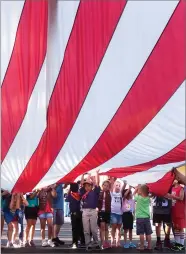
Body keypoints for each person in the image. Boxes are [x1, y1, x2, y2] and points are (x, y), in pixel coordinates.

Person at [80, 171, 100, 250]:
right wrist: (82, 175)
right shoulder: (83, 192)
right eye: (86, 186)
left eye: (89, 185)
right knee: (86, 229)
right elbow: (81, 184)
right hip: (85, 211)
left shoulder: (95, 192)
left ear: (91, 186)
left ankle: (96, 243)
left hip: (93, 211)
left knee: (94, 229)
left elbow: (97, 184)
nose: (87, 187)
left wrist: (97, 174)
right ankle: (88, 244)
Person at [166, 180, 185, 251]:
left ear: (177, 180)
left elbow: (181, 198)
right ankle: (178, 244)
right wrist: (169, 196)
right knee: (176, 227)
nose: (172, 181)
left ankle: (181, 245)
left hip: (180, 210)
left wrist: (171, 196)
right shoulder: (172, 188)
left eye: (173, 179)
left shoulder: (181, 188)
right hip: (174, 210)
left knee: (180, 228)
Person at [134, 184, 153, 251]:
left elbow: (133, 195)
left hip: (139, 218)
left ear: (140, 191)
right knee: (148, 233)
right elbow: (150, 195)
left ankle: (142, 246)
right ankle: (149, 246)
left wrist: (136, 189)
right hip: (147, 217)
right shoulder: (148, 198)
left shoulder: (138, 197)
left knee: (141, 233)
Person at [67, 183, 85, 249]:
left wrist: (69, 188)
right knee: (80, 228)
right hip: (80, 213)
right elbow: (82, 188)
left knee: (74, 229)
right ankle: (83, 241)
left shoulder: (70, 195)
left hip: (73, 214)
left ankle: (75, 242)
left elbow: (67, 197)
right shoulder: (79, 195)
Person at [110, 178, 126, 247]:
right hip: (113, 213)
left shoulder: (120, 194)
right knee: (113, 227)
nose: (118, 187)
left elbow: (124, 186)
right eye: (116, 185)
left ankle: (118, 241)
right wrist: (113, 181)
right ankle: (112, 241)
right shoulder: (112, 193)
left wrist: (124, 182)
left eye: (119, 186)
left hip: (120, 213)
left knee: (118, 229)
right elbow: (111, 186)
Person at [97, 180, 111, 249]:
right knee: (102, 227)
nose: (106, 187)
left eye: (107, 186)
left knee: (106, 227)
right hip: (101, 212)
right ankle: (102, 242)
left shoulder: (110, 193)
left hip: (107, 212)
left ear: (109, 187)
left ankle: (106, 241)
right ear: (102, 186)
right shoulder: (99, 193)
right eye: (104, 185)